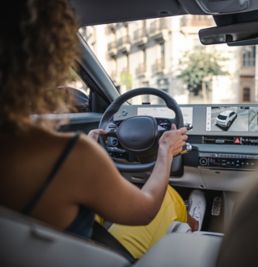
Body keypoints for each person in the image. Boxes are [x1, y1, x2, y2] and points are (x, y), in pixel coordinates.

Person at [0, 0, 204, 260]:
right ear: (46, 57)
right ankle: (194, 223)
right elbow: (143, 212)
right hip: (90, 258)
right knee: (166, 198)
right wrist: (165, 151)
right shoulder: (71, 155)